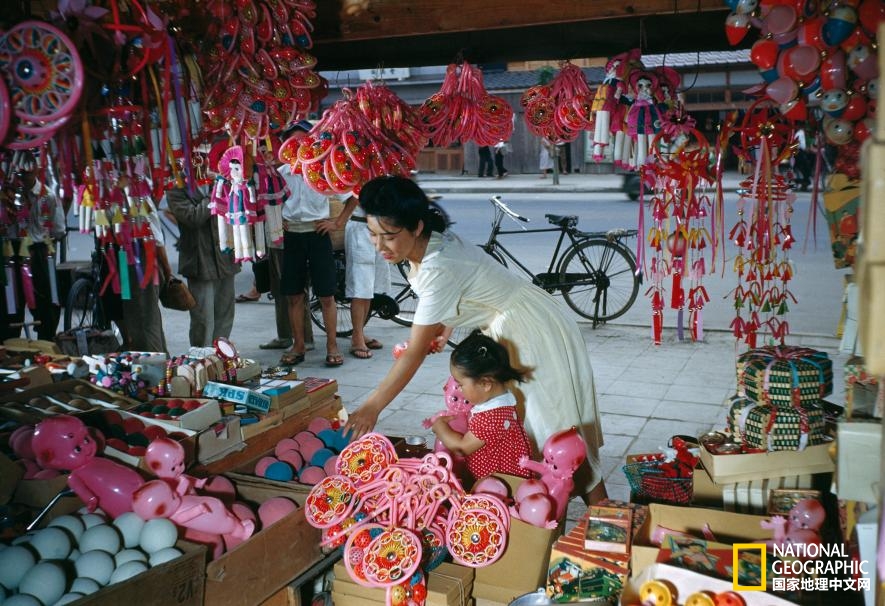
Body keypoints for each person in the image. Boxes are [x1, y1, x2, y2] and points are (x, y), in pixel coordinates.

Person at [343, 175, 606, 503]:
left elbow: (414, 353)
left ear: (417, 227)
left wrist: (372, 407)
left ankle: (605, 526)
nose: (380, 246)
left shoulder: (438, 267)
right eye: (373, 235)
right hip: (518, 322)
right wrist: (448, 323)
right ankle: (553, 532)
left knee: (557, 436)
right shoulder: (434, 242)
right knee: (539, 436)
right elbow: (472, 282)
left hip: (532, 330)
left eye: (390, 236)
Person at [279, 120, 343, 367]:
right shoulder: (281, 174)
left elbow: (351, 196)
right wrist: (277, 222)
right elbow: (268, 201)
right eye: (293, 141)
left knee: (327, 295)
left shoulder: (324, 170)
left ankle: (332, 346)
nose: (299, 146)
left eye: (303, 140)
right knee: (294, 296)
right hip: (292, 237)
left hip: (318, 236)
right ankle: (298, 345)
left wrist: (336, 222)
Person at [430, 332, 532, 481]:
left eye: (461, 384)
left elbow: (461, 448)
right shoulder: (499, 401)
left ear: (485, 384)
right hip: (496, 476)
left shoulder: (491, 417)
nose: (458, 389)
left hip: (501, 487)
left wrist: (440, 427)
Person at [166, 181, 239, 348]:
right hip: (199, 259)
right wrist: (214, 194)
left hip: (224, 255)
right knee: (203, 318)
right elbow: (193, 217)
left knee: (225, 312)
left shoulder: (221, 180)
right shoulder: (175, 187)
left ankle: (221, 354)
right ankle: (201, 358)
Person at [0, 155, 66, 342]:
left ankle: (47, 341)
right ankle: (10, 343)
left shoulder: (48, 196)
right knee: (10, 303)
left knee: (46, 301)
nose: (23, 176)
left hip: (38, 252)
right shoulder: (7, 196)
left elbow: (59, 229)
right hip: (11, 252)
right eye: (21, 173)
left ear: (37, 170)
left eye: (27, 172)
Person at [338, 194, 390, 359]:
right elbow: (354, 197)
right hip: (361, 229)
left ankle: (359, 332)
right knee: (361, 286)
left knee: (371, 287)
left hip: (380, 228)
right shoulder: (354, 171)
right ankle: (357, 338)